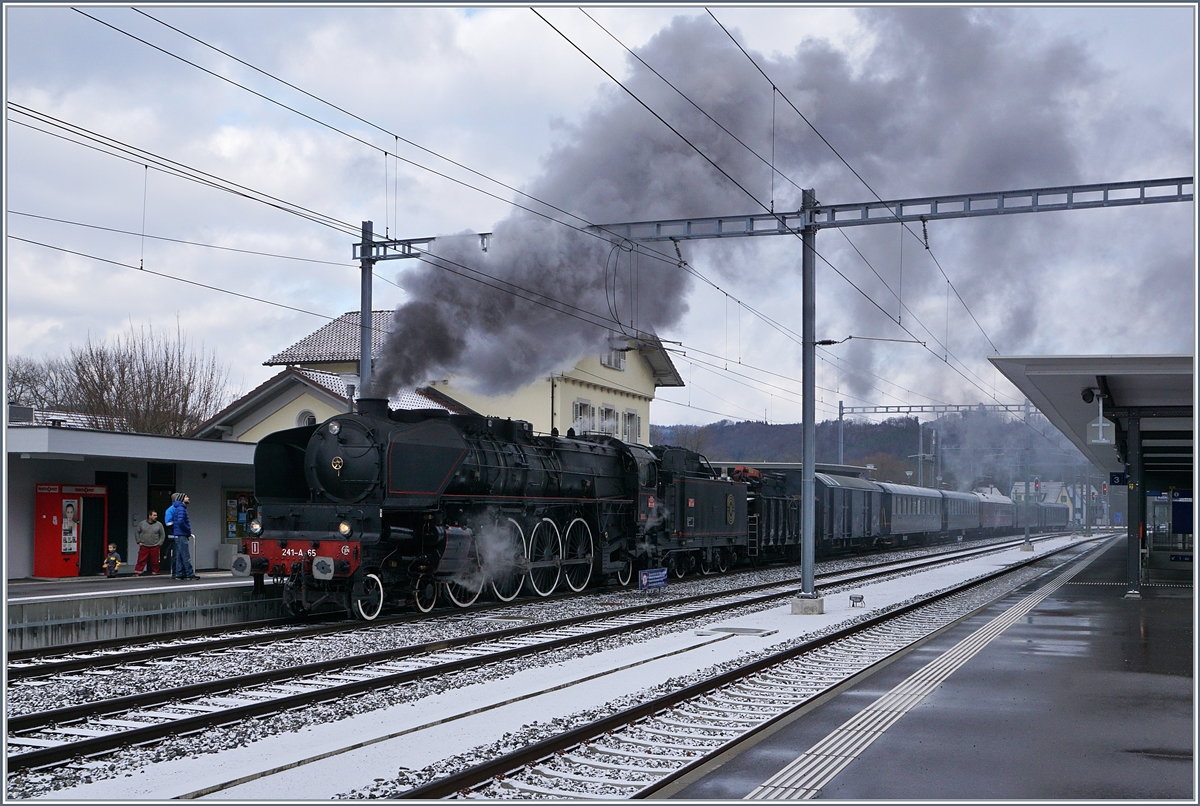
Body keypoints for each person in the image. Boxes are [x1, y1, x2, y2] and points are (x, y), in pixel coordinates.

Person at [169, 492, 199, 581]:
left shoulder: (177, 508)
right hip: (182, 534)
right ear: (182, 499)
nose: (188, 498)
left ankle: (179, 573)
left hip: (178, 534)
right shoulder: (181, 509)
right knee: (185, 555)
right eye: (186, 497)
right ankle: (189, 574)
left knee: (179, 555)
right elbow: (181, 521)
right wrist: (187, 530)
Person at [134, 509, 166, 575]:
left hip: (155, 546)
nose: (156, 517)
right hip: (144, 545)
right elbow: (137, 532)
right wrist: (138, 541)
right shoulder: (142, 524)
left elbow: (162, 535)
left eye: (156, 515)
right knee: (141, 560)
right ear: (150, 516)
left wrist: (159, 544)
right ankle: (137, 572)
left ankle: (155, 572)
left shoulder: (159, 525)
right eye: (154, 515)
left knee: (155, 561)